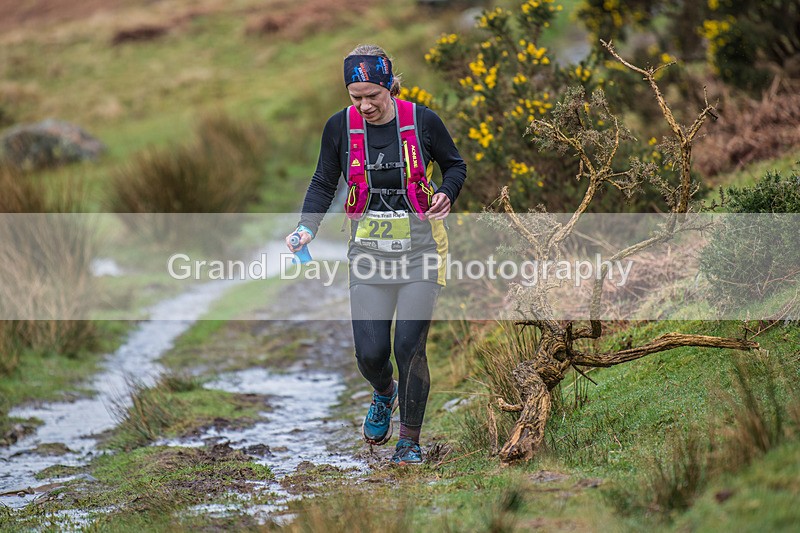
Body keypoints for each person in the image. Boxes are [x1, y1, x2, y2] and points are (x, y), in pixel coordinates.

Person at [285, 44, 466, 465]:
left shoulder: (422, 120)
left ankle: (409, 444)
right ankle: (385, 393)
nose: (364, 105)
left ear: (389, 86)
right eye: (355, 96)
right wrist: (306, 228)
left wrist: (445, 192)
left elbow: (455, 165)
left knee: (409, 347)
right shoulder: (338, 128)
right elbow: (323, 182)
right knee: (370, 354)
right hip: (367, 255)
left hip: (422, 251)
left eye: (372, 95)